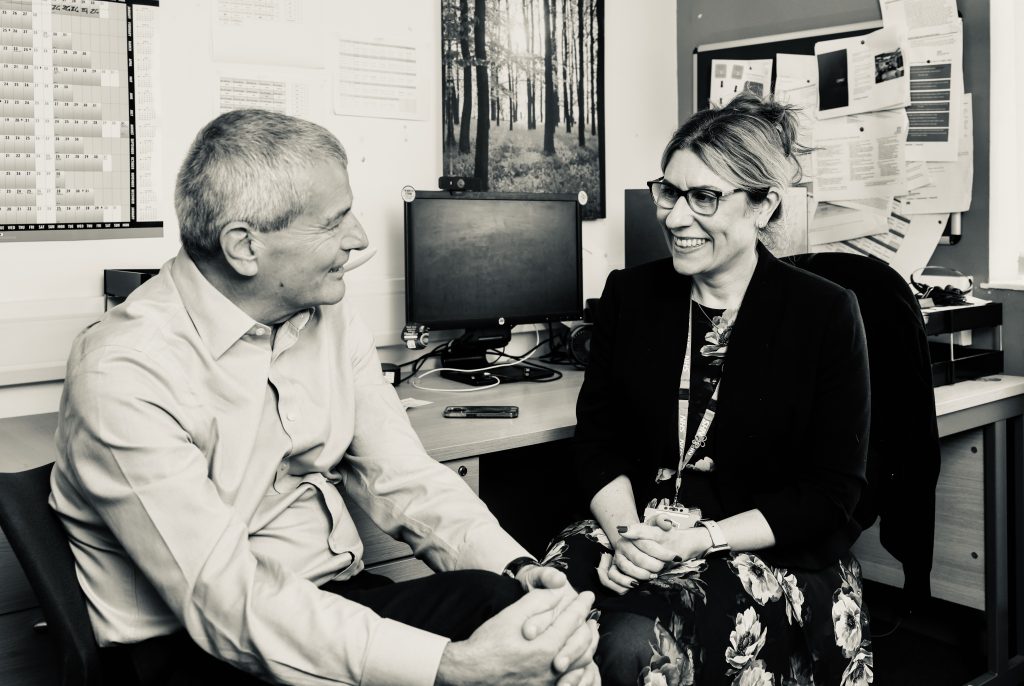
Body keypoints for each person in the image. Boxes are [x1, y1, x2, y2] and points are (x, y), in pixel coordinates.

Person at [49, 109, 600, 686]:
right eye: (334, 222)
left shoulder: (327, 314)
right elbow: (225, 599)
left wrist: (516, 569)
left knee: (515, 612)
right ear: (244, 247)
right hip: (196, 648)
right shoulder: (124, 371)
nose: (359, 238)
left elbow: (403, 473)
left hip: (333, 600)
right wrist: (453, 668)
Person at [542, 92, 874, 686]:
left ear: (763, 205)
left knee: (629, 647)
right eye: (669, 191)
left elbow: (831, 493)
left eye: (705, 197)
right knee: (538, 619)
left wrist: (697, 540)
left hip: (758, 547)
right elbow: (598, 440)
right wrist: (629, 541)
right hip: (636, 527)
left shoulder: (823, 313)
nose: (673, 217)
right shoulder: (630, 295)